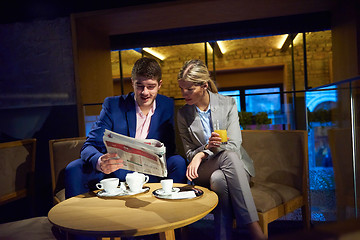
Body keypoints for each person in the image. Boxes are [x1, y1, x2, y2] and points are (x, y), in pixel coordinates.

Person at [65, 57, 187, 199]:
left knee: (178, 162)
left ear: (160, 84)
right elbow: (89, 146)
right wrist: (100, 162)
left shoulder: (166, 105)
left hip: (150, 171)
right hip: (116, 170)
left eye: (151, 86)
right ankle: (73, 218)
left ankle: (176, 215)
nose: (145, 92)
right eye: (139, 86)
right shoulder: (113, 105)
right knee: (74, 168)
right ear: (132, 83)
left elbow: (169, 148)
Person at [176, 59, 266, 240]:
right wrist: (202, 153)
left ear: (204, 85)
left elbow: (233, 144)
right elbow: (189, 154)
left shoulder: (228, 104)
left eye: (189, 89)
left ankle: (222, 236)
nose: (184, 94)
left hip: (234, 167)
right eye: (182, 89)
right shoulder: (183, 115)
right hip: (203, 169)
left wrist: (203, 152)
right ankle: (252, 227)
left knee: (220, 177)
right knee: (227, 159)